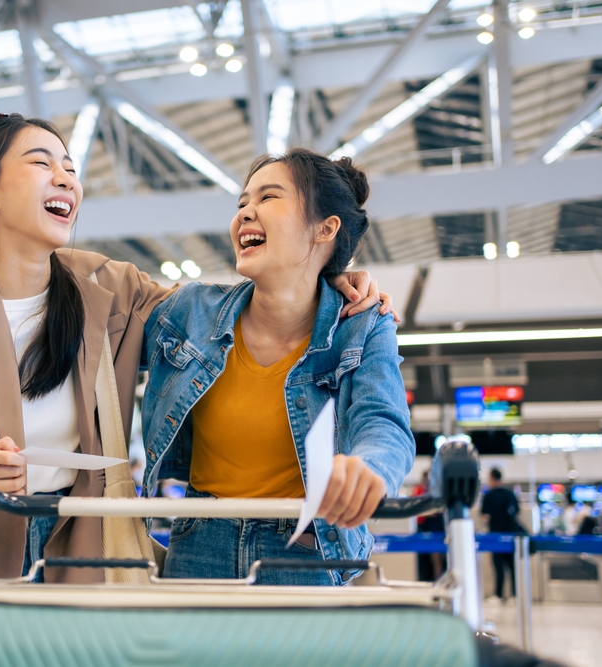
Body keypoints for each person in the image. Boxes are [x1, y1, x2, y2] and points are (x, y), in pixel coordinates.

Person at [0, 112, 389, 584]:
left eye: (70, 168)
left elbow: (231, 315)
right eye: (41, 163)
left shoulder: (111, 289)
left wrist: (333, 277)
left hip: (85, 549)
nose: (65, 178)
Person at [140, 149, 415, 585]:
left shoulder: (361, 325)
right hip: (198, 542)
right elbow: (100, 307)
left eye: (268, 198)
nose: (246, 212)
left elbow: (383, 421)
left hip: (307, 548)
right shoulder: (190, 311)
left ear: (325, 229)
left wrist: (371, 468)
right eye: (242, 203)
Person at [480, 467, 520, 601]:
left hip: (495, 537)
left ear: (491, 478)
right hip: (511, 536)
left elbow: (485, 517)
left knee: (498, 568)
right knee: (513, 567)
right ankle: (515, 595)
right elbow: (517, 513)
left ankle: (498, 594)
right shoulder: (510, 494)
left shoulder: (489, 495)